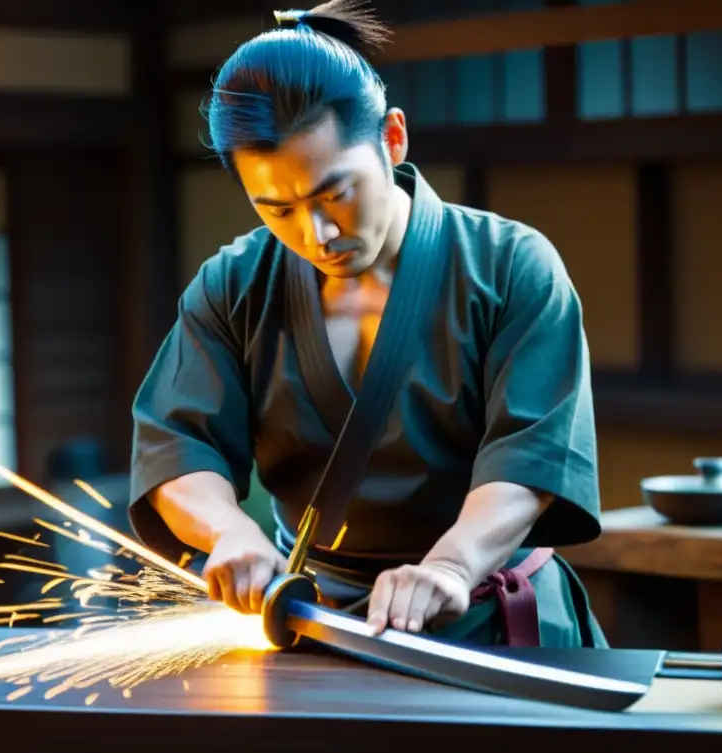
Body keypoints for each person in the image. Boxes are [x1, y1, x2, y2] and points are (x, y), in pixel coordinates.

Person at [128, 0, 608, 648]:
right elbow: (177, 445)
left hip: (487, 620)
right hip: (311, 621)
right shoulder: (233, 284)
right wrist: (229, 532)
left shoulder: (512, 267)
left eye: (335, 194)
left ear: (392, 138)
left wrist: (450, 565)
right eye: (277, 208)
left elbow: (532, 460)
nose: (316, 232)